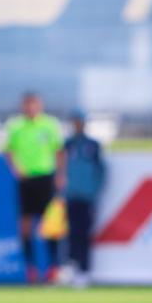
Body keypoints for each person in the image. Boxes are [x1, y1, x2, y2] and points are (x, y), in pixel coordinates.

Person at [3, 92, 65, 283]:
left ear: (39, 105)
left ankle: (53, 267)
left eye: (34, 104)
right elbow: (9, 151)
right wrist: (16, 170)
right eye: (27, 105)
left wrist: (60, 175)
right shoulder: (15, 126)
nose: (30, 108)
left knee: (50, 225)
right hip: (26, 179)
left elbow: (59, 151)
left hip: (45, 178)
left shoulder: (50, 125)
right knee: (25, 225)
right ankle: (31, 268)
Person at [61, 110, 105, 288]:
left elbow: (100, 171)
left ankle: (85, 270)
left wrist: (93, 191)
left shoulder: (92, 145)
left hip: (86, 196)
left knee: (84, 233)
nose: (77, 125)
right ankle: (72, 266)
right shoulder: (67, 144)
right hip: (70, 195)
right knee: (70, 233)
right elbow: (61, 167)